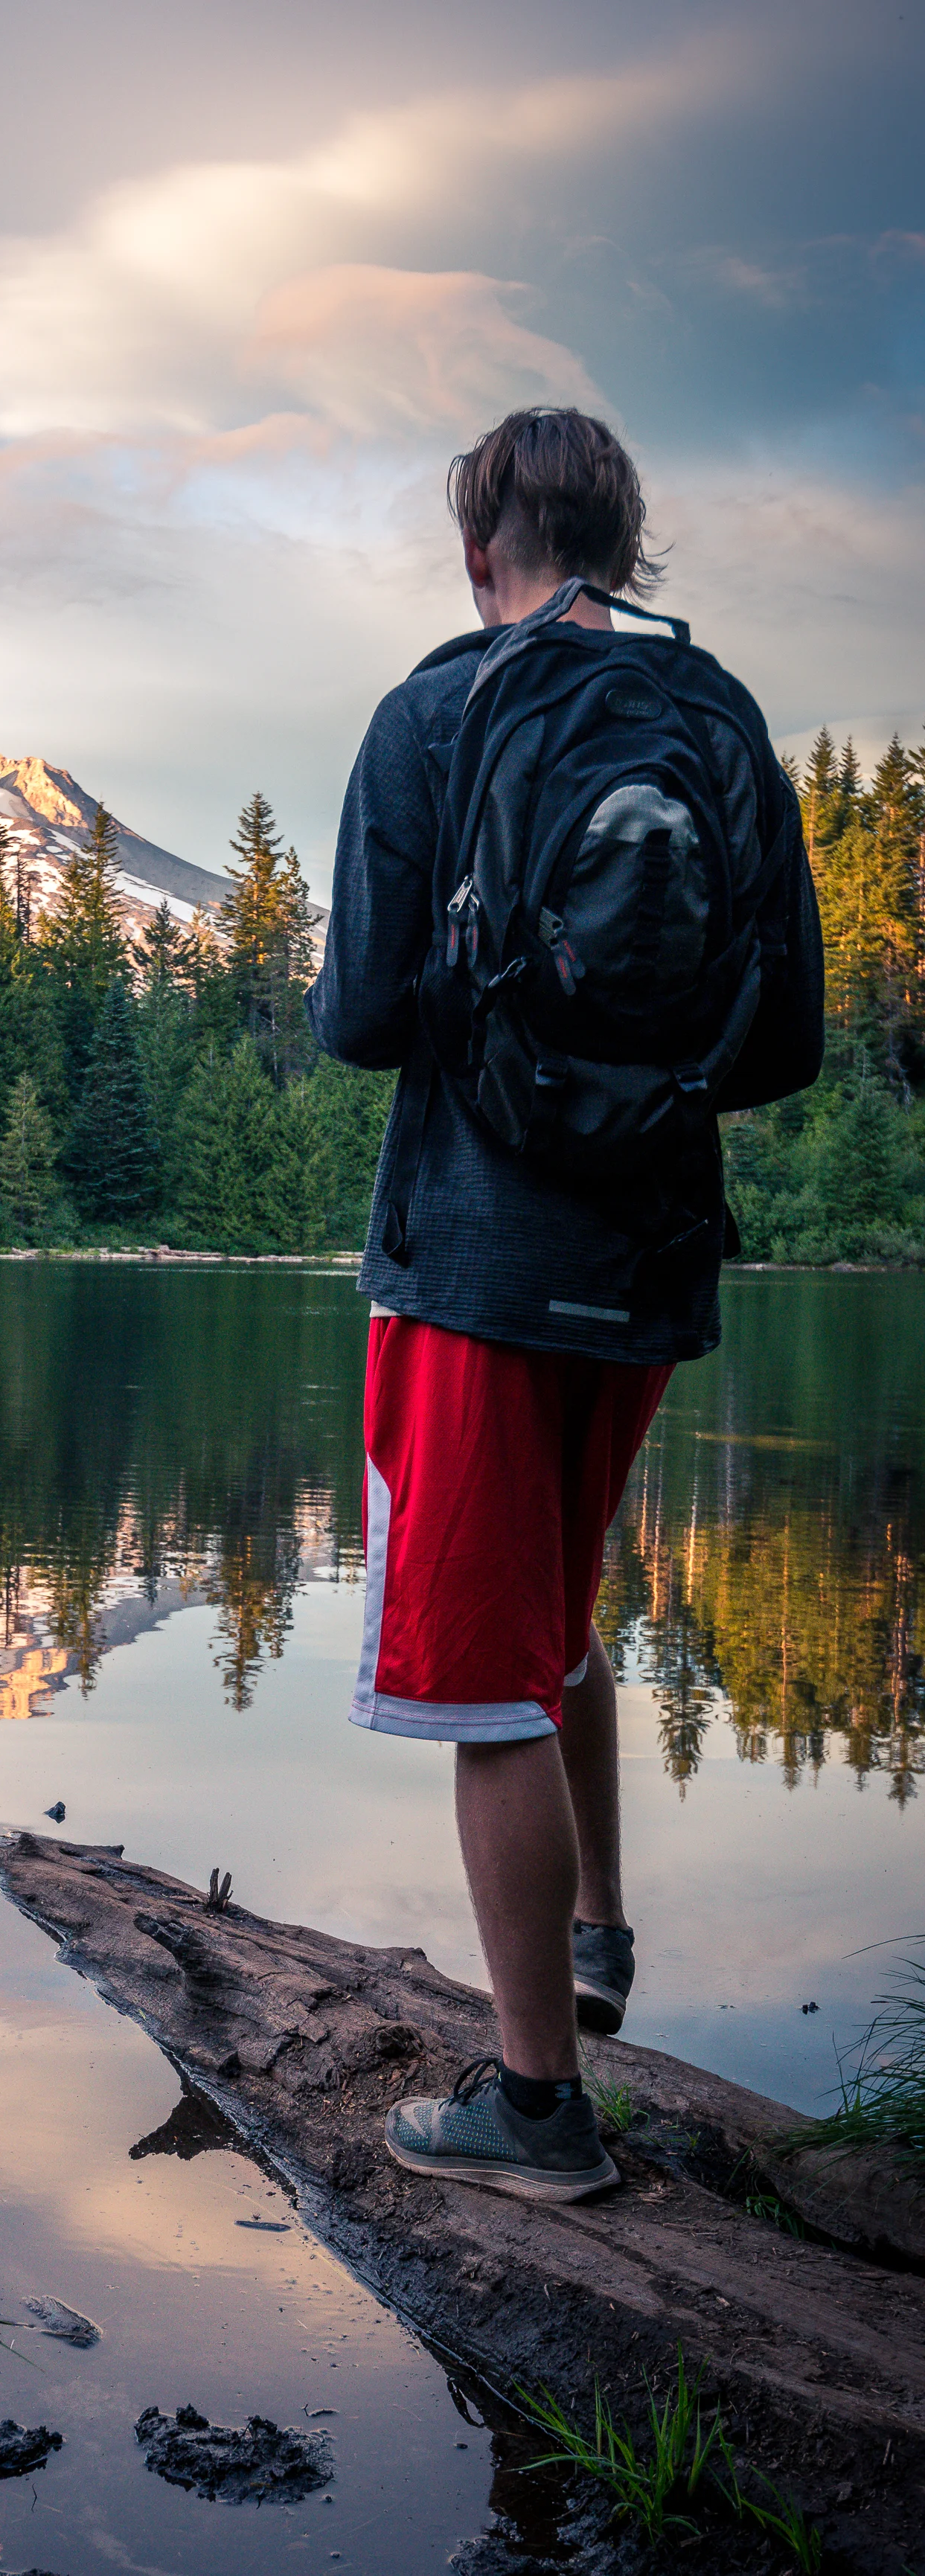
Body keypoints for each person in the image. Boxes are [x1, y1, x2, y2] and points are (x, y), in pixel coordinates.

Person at [307, 408, 823, 2201]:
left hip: (475, 1260)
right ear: (628, 541)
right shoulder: (723, 720)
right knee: (558, 1605)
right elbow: (788, 1041)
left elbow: (361, 1016)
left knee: (477, 1679)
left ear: (479, 553)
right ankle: (596, 1936)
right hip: (651, 1260)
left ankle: (535, 2111)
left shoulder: (435, 712)